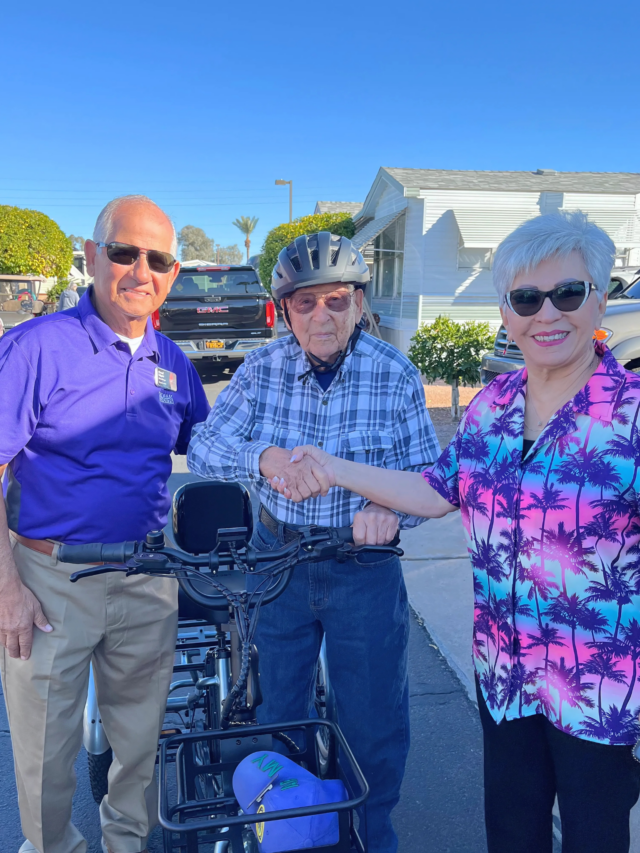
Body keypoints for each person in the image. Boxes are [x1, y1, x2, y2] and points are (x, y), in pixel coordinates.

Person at [276, 212, 640, 853]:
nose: (546, 315)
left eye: (567, 293)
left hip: (601, 687)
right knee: (511, 830)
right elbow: (434, 491)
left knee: (594, 835)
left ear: (600, 299)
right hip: (505, 673)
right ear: (505, 310)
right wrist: (333, 469)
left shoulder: (631, 411)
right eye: (526, 298)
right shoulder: (493, 405)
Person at [187, 232, 440, 853]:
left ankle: (366, 836)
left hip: (363, 568)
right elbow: (203, 446)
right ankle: (286, 834)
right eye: (305, 304)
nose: (320, 316)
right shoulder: (261, 369)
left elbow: (431, 478)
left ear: (358, 303)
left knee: (374, 723)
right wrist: (266, 457)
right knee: (280, 714)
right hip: (281, 560)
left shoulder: (394, 373)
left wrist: (385, 507)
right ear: (285, 311)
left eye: (335, 301)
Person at [0, 194, 210, 853]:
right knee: (45, 755)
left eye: (158, 259)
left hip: (147, 578)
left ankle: (128, 845)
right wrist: (7, 586)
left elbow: (215, 443)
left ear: (173, 274)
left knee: (141, 745)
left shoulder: (174, 363)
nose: (139, 269)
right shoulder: (35, 348)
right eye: (123, 251)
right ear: (92, 256)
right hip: (50, 580)